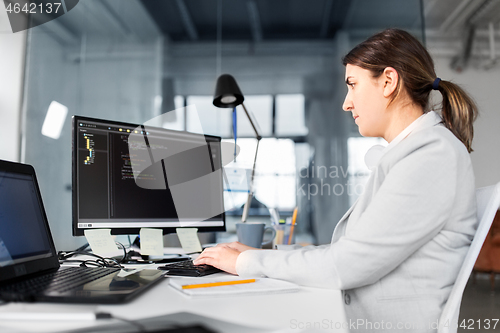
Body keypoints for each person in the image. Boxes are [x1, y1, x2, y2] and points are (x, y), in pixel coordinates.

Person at [194, 28, 478, 332]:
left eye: (353, 85)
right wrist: (261, 255)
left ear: (388, 82)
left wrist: (246, 263)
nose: (346, 103)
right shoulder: (417, 153)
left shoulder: (431, 156)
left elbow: (346, 264)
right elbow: (347, 252)